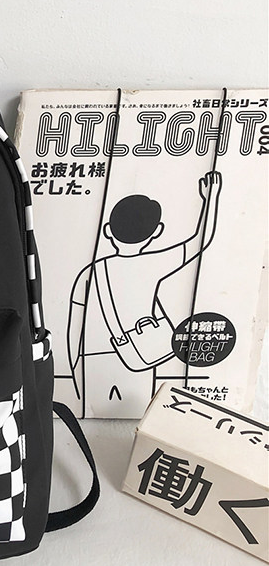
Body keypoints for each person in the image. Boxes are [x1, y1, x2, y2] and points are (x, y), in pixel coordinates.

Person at [67, 170, 222, 417]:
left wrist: (75, 368)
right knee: (139, 418)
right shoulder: (154, 264)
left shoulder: (89, 272)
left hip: (93, 356)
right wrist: (210, 199)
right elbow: (198, 242)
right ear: (156, 231)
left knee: (91, 417)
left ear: (107, 230)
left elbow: (74, 330)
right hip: (140, 353)